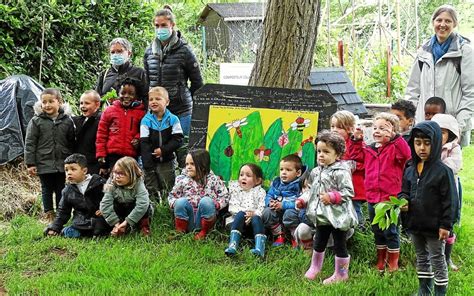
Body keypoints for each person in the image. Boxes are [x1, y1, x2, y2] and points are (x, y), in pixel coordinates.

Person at [399, 121, 457, 296]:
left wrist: (446, 225)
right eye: (418, 143)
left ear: (437, 143)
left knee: (437, 259)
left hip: (435, 227)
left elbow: (450, 201)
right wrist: (403, 200)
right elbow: (404, 191)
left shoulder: (442, 171)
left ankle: (440, 292)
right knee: (422, 258)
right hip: (415, 224)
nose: (422, 148)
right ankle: (424, 289)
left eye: (427, 143)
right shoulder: (410, 169)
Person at [348, 112, 411, 272]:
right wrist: (356, 139)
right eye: (375, 127)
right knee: (377, 229)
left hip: (390, 198)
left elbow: (406, 155)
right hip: (372, 197)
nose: (377, 131)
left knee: (390, 230)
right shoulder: (369, 149)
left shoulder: (395, 148)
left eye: (383, 128)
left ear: (393, 131)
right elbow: (355, 155)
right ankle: (381, 259)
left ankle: (393, 262)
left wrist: (397, 138)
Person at [405, 4, 474, 147]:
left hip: (451, 125)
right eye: (439, 20)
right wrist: (410, 120)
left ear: (455, 24)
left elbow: (470, 93)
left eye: (448, 21)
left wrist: (457, 125)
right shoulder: (423, 52)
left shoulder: (464, 52)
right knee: (423, 167)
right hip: (424, 124)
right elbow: (413, 90)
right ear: (433, 22)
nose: (442, 24)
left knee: (448, 167)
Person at [144, 6, 204, 167]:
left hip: (181, 111)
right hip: (157, 113)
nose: (160, 29)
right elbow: (147, 81)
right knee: (160, 151)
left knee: (184, 151)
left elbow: (197, 82)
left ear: (172, 25)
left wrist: (184, 98)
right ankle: (165, 188)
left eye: (163, 25)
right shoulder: (149, 52)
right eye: (157, 26)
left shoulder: (184, 50)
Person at [304, 130, 357, 284]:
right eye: (319, 151)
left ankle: (341, 273)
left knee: (339, 244)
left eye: (326, 152)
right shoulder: (316, 172)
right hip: (322, 215)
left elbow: (348, 192)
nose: (321, 155)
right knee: (319, 241)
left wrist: (332, 196)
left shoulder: (341, 172)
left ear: (337, 154)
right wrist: (303, 200)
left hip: (339, 216)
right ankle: (315, 267)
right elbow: (311, 190)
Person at [24, 88, 75, 222]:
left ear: (59, 102)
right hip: (43, 162)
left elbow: (71, 142)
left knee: (61, 188)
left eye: (51, 101)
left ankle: (60, 213)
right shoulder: (36, 121)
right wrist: (30, 163)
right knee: (46, 188)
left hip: (61, 162)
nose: (47, 105)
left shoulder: (67, 121)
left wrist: (71, 162)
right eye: (44, 102)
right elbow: (30, 143)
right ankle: (48, 214)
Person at [44, 154, 111, 238]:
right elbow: (62, 212)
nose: (69, 173)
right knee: (70, 232)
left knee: (101, 229)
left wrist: (104, 209)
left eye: (73, 169)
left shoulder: (100, 183)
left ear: (84, 171)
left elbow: (112, 200)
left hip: (100, 220)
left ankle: (98, 233)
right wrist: (54, 228)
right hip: (80, 224)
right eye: (66, 170)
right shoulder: (67, 190)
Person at [168, 149, 229, 240]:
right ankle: (180, 231)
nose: (188, 167)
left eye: (192, 164)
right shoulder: (182, 180)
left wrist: (218, 204)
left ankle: (204, 233)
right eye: (187, 164)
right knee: (180, 202)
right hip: (188, 219)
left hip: (205, 220)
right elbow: (172, 196)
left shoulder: (214, 180)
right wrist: (174, 203)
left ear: (203, 165)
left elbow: (225, 196)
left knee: (206, 201)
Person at [140, 86, 183, 202]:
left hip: (167, 161)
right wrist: (147, 164)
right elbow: (144, 143)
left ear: (167, 102)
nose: (154, 102)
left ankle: (168, 208)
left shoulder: (173, 119)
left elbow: (178, 139)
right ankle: (154, 211)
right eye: (151, 99)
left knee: (168, 186)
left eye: (158, 99)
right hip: (150, 161)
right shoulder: (146, 120)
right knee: (151, 188)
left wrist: (163, 150)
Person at [431, 113, 462, 272]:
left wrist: (434, 168)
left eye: (444, 132)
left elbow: (452, 166)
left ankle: (447, 257)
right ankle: (433, 255)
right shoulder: (429, 147)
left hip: (450, 192)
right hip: (432, 194)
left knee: (448, 223)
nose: (440, 135)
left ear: (450, 134)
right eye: (437, 131)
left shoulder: (454, 148)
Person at [96, 79, 146, 176]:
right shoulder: (109, 111)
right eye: (123, 93)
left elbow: (145, 130)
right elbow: (101, 134)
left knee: (130, 181)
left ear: (136, 96)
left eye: (131, 94)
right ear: (118, 93)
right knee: (114, 181)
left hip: (131, 156)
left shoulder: (141, 112)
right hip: (112, 156)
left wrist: (138, 138)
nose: (126, 96)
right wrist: (101, 154)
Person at [330, 110, 366, 227]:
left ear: (350, 129)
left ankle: (359, 230)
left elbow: (361, 160)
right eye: (332, 126)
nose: (334, 129)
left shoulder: (355, 143)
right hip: (338, 186)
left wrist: (349, 165)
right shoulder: (331, 144)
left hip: (354, 186)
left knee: (354, 209)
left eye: (339, 127)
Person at [100, 156, 152, 236]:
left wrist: (127, 222)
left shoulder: (138, 184)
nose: (117, 176)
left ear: (132, 174)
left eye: (121, 173)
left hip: (133, 208)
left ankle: (143, 227)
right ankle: (119, 227)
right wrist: (116, 224)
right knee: (111, 207)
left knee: (146, 206)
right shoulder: (111, 182)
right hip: (120, 209)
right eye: (115, 172)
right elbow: (105, 204)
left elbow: (142, 204)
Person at [224, 163, 267, 257]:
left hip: (253, 225)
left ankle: (260, 248)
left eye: (248, 175)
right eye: (241, 175)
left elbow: (262, 207)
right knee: (240, 214)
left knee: (256, 218)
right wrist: (245, 214)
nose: (243, 177)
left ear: (258, 180)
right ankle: (233, 245)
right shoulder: (236, 190)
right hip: (237, 223)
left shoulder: (260, 192)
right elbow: (233, 206)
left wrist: (254, 214)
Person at [263, 154, 305, 247]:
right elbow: (269, 194)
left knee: (289, 214)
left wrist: (283, 205)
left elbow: (300, 202)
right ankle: (279, 234)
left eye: (288, 170)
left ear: (298, 173)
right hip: (277, 211)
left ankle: (294, 236)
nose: (284, 173)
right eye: (281, 169)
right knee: (266, 212)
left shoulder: (299, 185)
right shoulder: (277, 183)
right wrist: (270, 202)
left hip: (291, 212)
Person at [95, 37, 148, 105]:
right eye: (112, 52)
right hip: (109, 114)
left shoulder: (140, 73)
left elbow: (146, 98)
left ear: (129, 53)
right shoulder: (104, 75)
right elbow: (96, 100)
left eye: (120, 51)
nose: (115, 54)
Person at [73, 90, 102, 175]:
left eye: (87, 103)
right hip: (80, 163)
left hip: (94, 164)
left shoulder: (101, 121)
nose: (83, 106)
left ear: (97, 104)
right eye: (81, 103)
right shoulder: (77, 121)